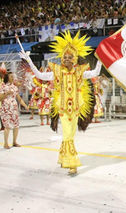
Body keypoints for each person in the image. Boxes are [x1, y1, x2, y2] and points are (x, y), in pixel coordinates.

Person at [19, 31, 102, 174]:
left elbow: (94, 73)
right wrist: (29, 61)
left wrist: (101, 60)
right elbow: (39, 75)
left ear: (75, 59)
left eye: (70, 57)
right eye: (65, 57)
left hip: (75, 109)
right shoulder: (56, 72)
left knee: (69, 135)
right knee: (67, 135)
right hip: (63, 110)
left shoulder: (79, 72)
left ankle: (65, 158)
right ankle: (72, 163)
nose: (67, 59)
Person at [0, 72, 29, 149]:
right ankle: (5, 143)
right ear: (7, 77)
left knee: (16, 126)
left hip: (14, 108)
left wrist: (25, 105)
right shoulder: (2, 86)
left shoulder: (15, 87)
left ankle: (14, 142)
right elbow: (0, 98)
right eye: (11, 76)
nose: (13, 78)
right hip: (5, 108)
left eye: (13, 76)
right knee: (7, 126)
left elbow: (19, 98)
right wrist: (6, 93)